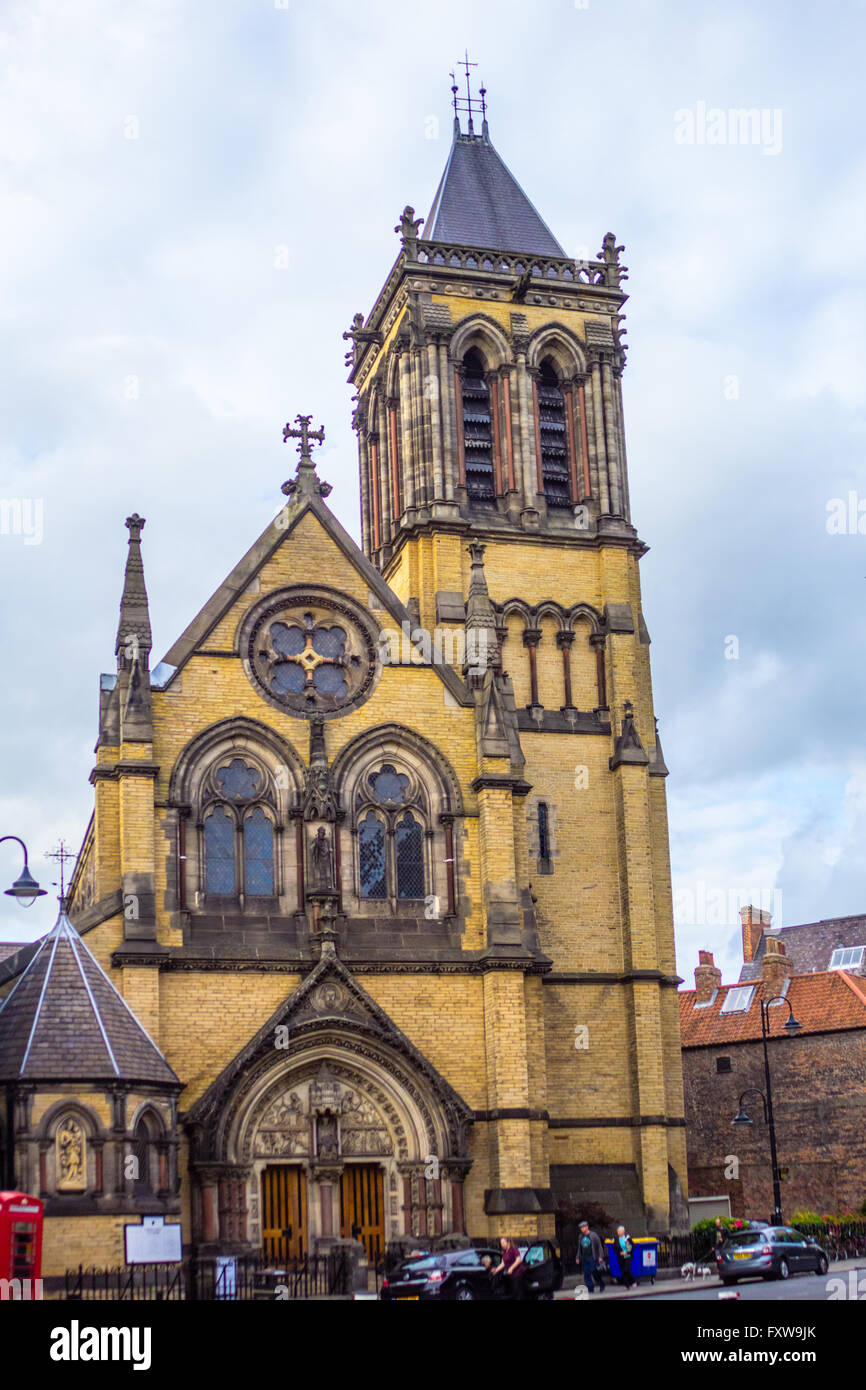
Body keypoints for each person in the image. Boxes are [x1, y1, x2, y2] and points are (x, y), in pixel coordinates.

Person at [577, 1220, 606, 1294]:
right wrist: (577, 1257)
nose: (582, 1229)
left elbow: (599, 1246)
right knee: (586, 1274)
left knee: (594, 1272)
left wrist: (600, 1256)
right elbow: (579, 1248)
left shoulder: (593, 1235)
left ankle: (601, 1284)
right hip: (584, 1258)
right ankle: (590, 1288)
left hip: (593, 1257)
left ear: (587, 1227)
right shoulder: (580, 1236)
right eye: (581, 1228)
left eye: (583, 1227)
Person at [613, 1225, 635, 1289]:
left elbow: (633, 1247)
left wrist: (627, 1252)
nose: (618, 1232)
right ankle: (626, 1285)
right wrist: (619, 1253)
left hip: (628, 1256)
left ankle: (633, 1281)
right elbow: (614, 1248)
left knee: (626, 1269)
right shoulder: (616, 1239)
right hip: (620, 1257)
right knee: (623, 1271)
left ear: (623, 1231)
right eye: (618, 1231)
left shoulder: (627, 1238)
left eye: (620, 1231)